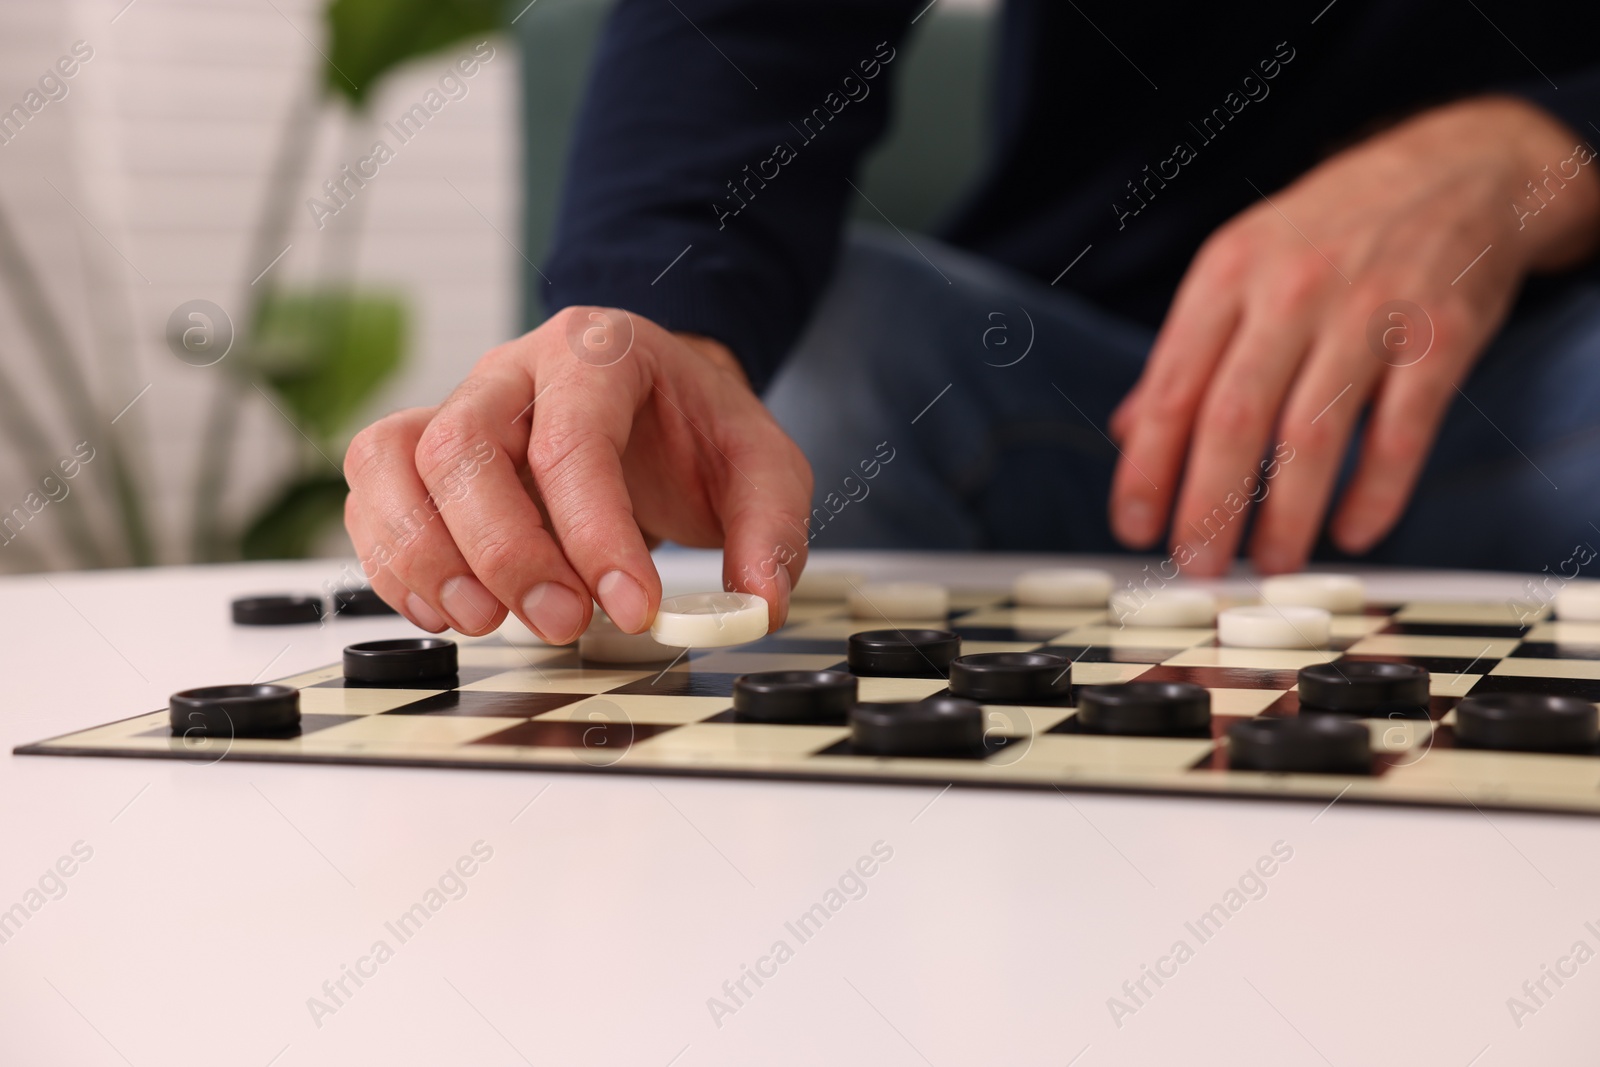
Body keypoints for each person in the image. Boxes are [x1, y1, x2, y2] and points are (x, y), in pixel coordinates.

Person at [342, 0, 1600, 643]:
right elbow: (752, 28)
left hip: (1558, 394)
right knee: (820, 372)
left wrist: (1541, 150)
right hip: (1089, 389)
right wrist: (654, 309)